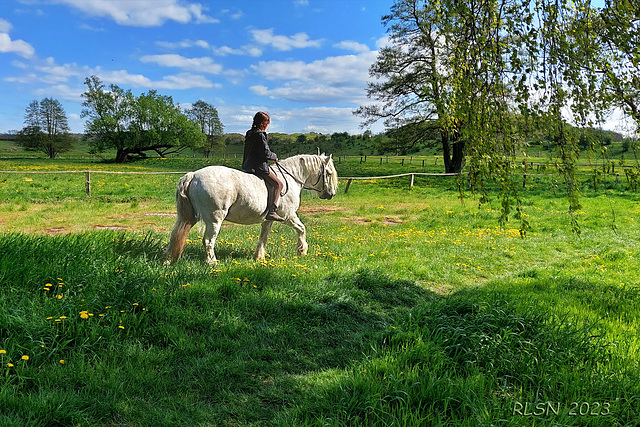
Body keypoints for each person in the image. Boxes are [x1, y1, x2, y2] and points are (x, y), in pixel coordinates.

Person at [242, 111, 285, 222]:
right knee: (278, 184)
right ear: (262, 123)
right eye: (267, 123)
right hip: (259, 167)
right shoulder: (261, 134)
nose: (267, 125)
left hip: (248, 165)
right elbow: (265, 153)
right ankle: (272, 211)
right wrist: (274, 156)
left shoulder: (249, 133)